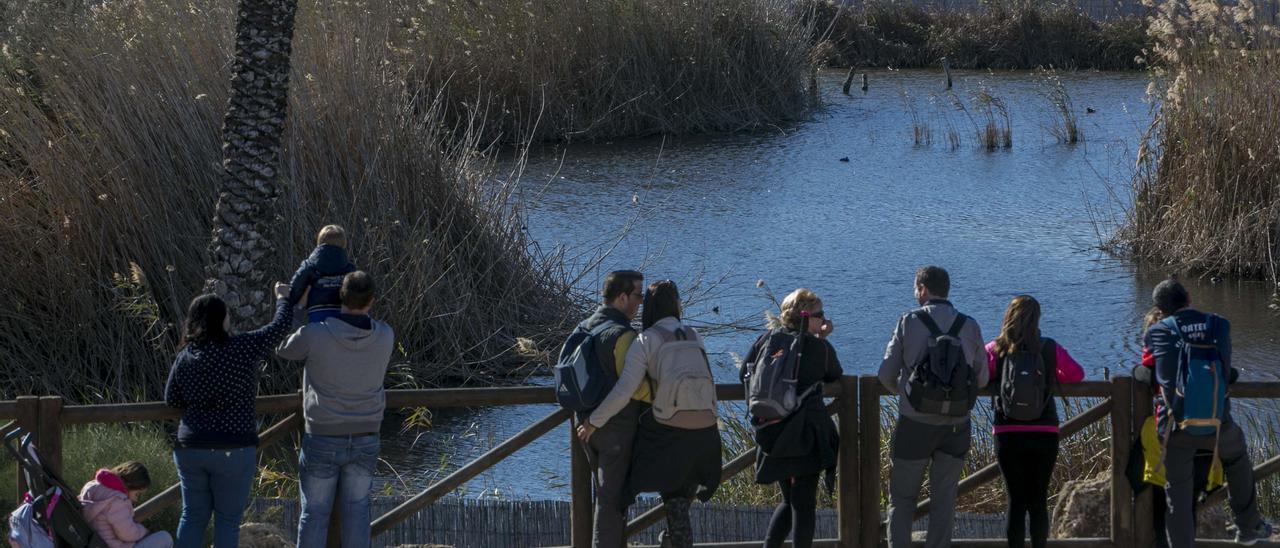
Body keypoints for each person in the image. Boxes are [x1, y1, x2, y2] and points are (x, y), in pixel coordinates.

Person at [583, 280, 722, 548]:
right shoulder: (695, 334)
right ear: (677, 306)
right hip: (706, 433)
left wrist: (593, 421)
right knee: (679, 507)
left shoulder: (646, 340)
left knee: (658, 498)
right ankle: (670, 541)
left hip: (669, 436)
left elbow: (625, 390)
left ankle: (669, 539)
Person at [1143, 278, 1273, 547]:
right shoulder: (1218, 324)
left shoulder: (1157, 332)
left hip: (1175, 427)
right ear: (1189, 297)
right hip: (1218, 424)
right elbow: (1225, 372)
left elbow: (1157, 372)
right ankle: (1248, 527)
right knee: (1238, 460)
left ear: (1159, 308)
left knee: (1177, 497)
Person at [164, 282, 293, 548]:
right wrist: (282, 298)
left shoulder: (185, 357)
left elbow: (172, 399)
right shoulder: (242, 348)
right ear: (222, 319)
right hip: (233, 447)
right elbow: (279, 327)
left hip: (192, 447)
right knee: (227, 520)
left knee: (193, 516)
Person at [277, 271, 395, 548]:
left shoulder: (316, 335)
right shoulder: (385, 336)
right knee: (357, 512)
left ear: (340, 296)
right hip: (366, 434)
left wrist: (294, 307)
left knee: (314, 514)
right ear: (372, 300)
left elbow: (282, 346)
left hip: (323, 434)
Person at [877, 266, 988, 548]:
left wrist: (907, 395)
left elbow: (886, 376)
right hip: (955, 425)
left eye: (916, 288)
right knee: (944, 499)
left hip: (915, 424)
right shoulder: (970, 325)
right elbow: (982, 378)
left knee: (902, 499)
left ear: (923, 289)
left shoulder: (908, 322)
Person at [740, 288, 841, 548]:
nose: (824, 318)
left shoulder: (766, 340)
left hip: (772, 430)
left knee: (788, 500)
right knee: (804, 504)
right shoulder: (818, 348)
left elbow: (744, 373)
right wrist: (822, 337)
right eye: (820, 314)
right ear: (807, 317)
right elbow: (834, 374)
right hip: (806, 433)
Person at [985, 295, 1084, 548]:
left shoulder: (996, 348)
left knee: (1016, 501)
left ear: (1008, 317)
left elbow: (981, 376)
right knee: (1039, 500)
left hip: (1008, 431)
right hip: (1044, 430)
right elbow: (1076, 374)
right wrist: (1051, 373)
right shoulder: (1049, 347)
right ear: (1037, 317)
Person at [571, 270, 645, 548]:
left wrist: (588, 421)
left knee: (603, 495)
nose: (640, 302)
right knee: (610, 502)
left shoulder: (585, 326)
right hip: (612, 427)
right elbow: (629, 388)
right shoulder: (623, 336)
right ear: (622, 297)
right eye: (639, 295)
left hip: (584, 424)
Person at [78, 462, 173, 548]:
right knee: (165, 538)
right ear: (129, 484)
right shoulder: (117, 501)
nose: (135, 499)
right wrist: (144, 532)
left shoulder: (91, 486)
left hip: (95, 543)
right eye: (137, 494)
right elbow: (127, 534)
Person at [288, 224, 357, 323]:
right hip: (342, 317)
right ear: (344, 244)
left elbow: (295, 288)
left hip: (317, 313)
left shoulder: (309, 266)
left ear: (319, 242)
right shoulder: (349, 269)